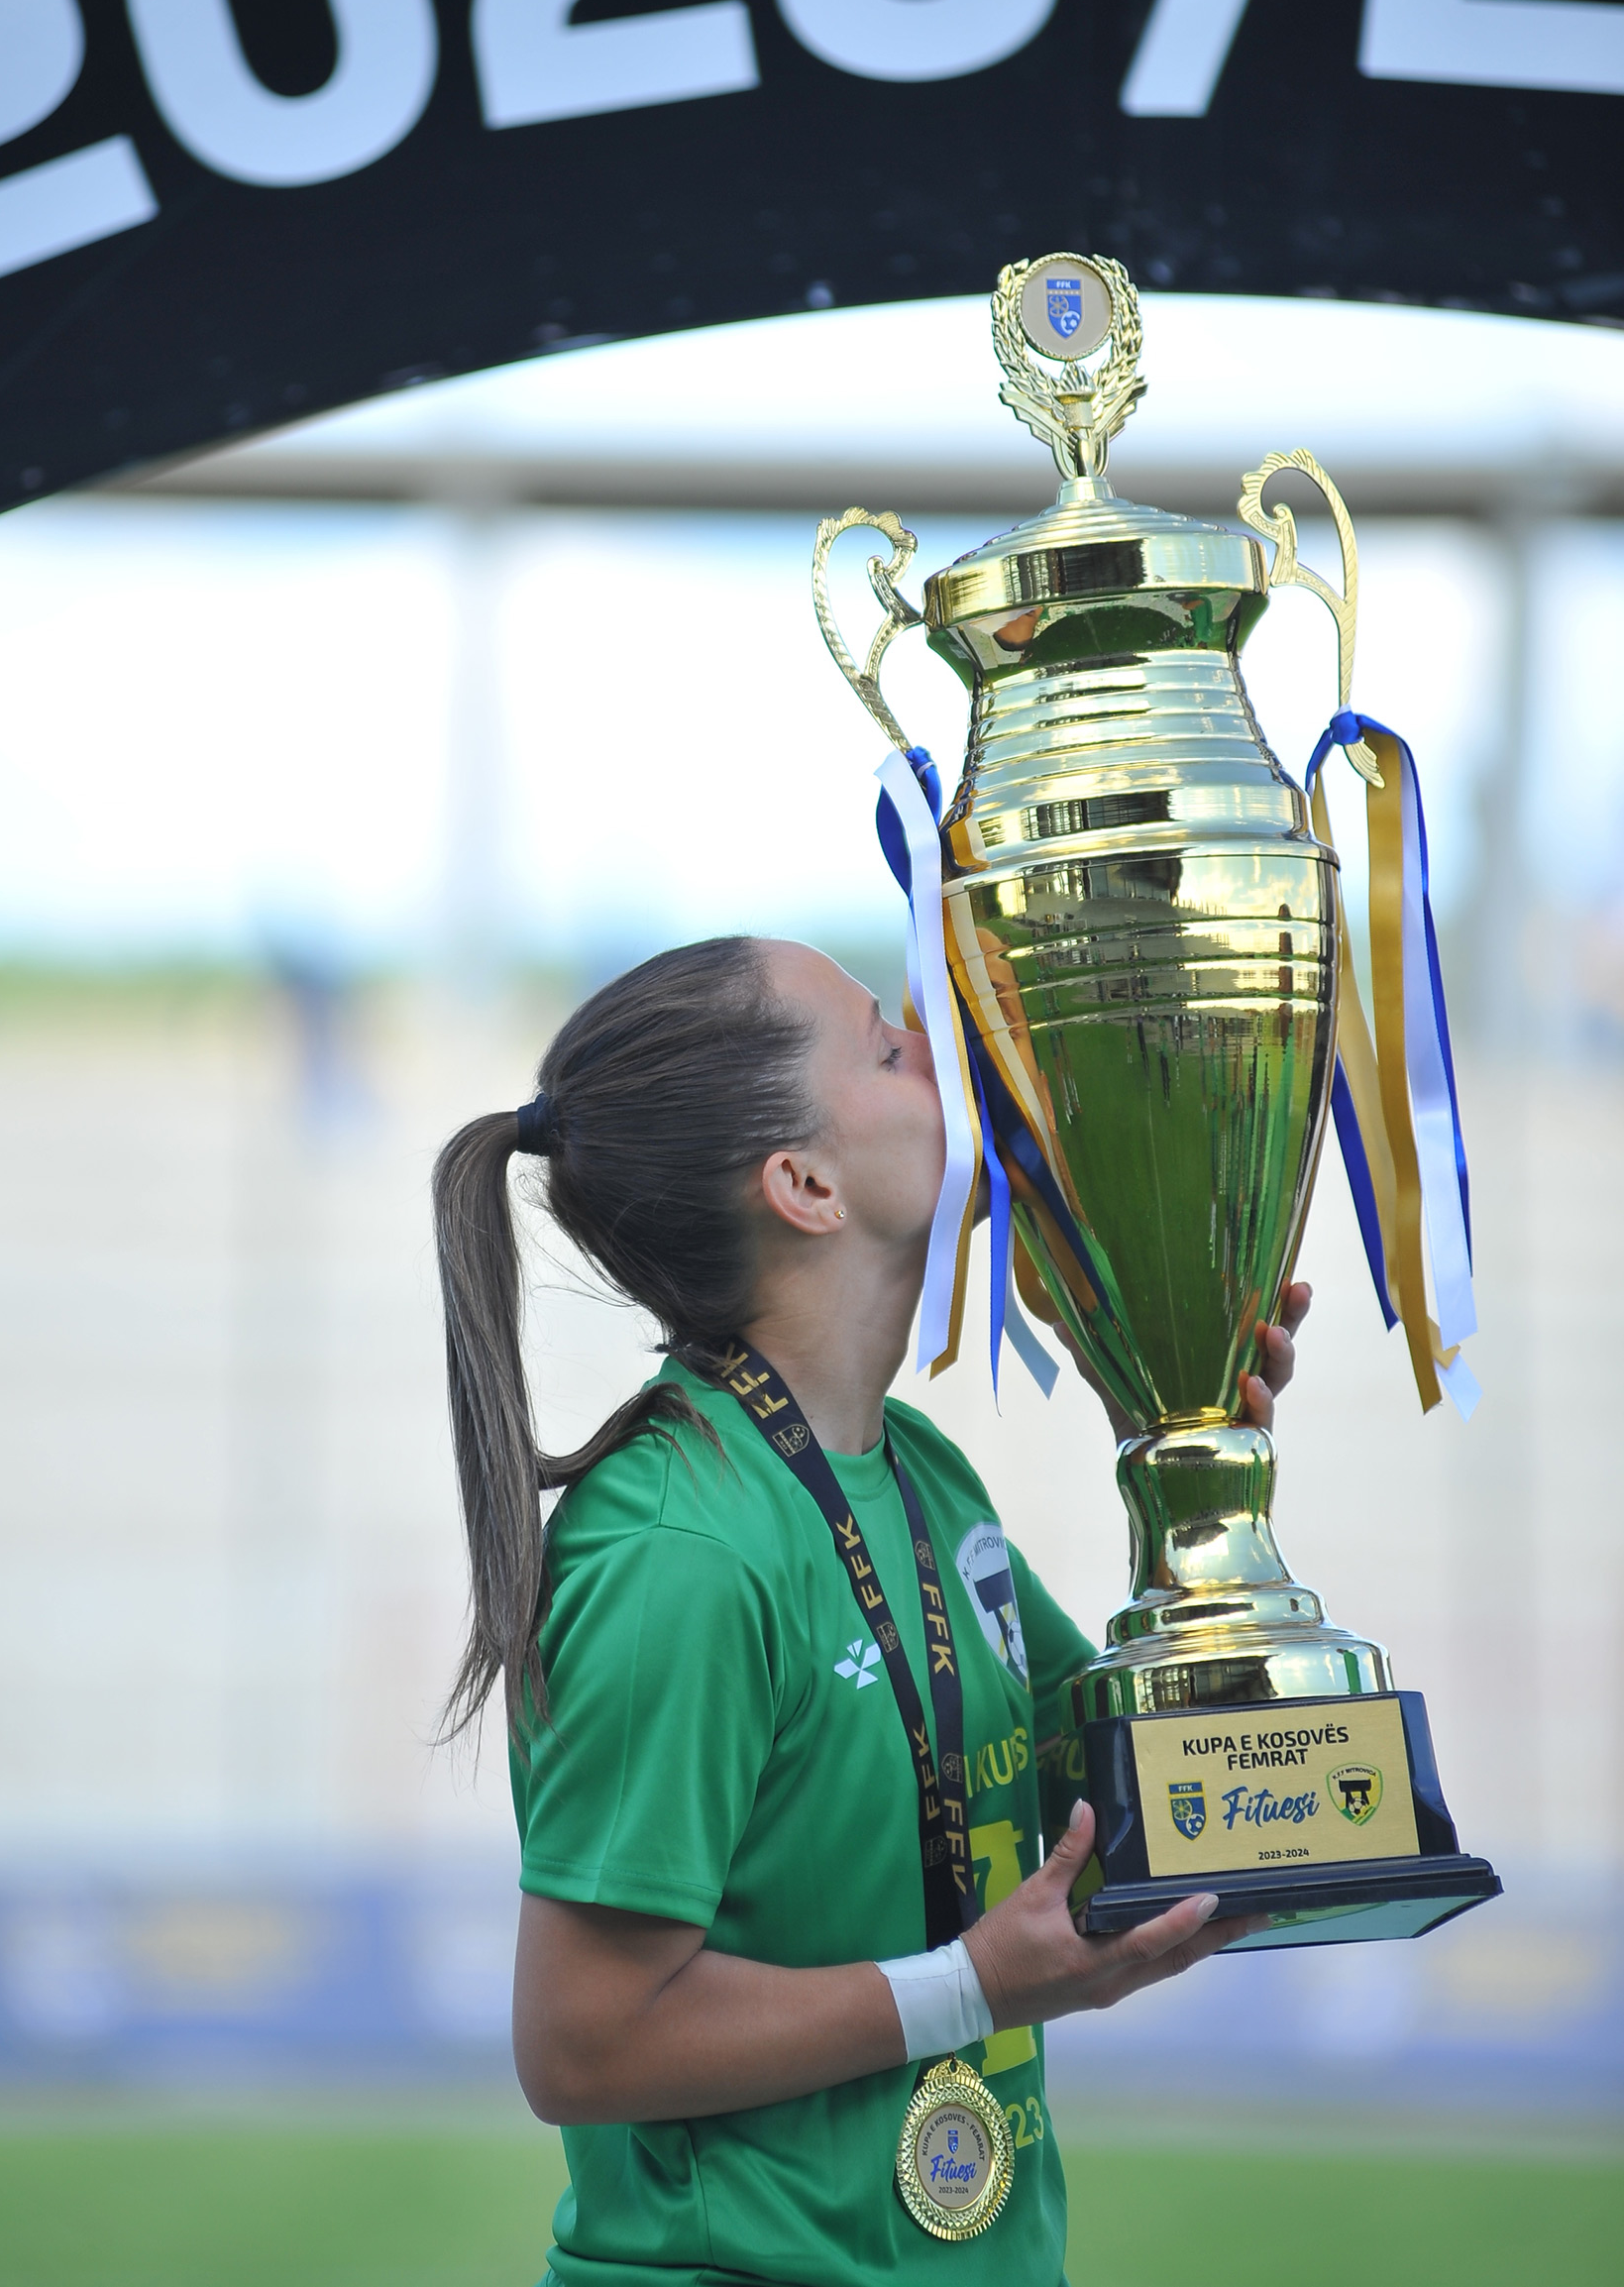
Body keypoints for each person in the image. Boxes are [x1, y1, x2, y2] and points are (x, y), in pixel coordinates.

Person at [433, 935, 1307, 2287]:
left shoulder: (921, 1474)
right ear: (806, 1184)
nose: (943, 1051)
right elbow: (581, 2044)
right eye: (892, 1048)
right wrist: (973, 1985)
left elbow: (1136, 1801)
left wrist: (1169, 1426)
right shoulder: (679, 1548)